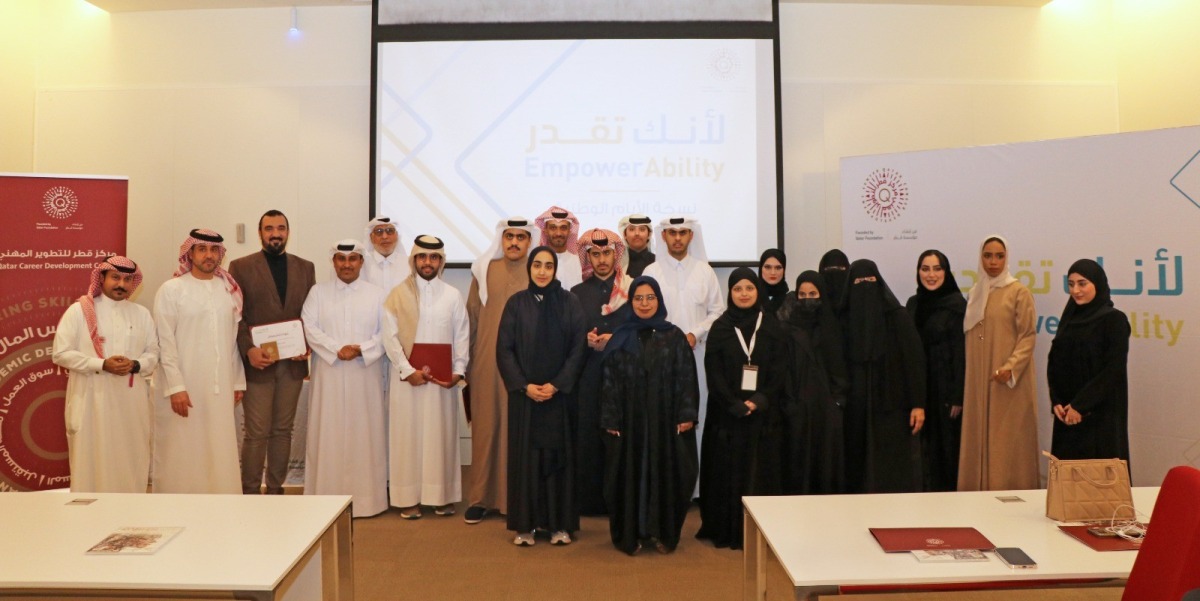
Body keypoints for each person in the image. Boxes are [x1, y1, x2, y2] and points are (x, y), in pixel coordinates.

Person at [600, 276, 698, 555]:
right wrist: (610, 418)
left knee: (667, 475)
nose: (644, 304)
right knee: (627, 476)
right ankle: (630, 536)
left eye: (650, 297)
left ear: (659, 300)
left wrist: (686, 414)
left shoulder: (674, 336)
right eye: (638, 298)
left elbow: (686, 377)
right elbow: (608, 380)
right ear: (631, 302)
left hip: (665, 422)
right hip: (629, 423)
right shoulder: (620, 337)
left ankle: (662, 534)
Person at [497, 246, 587, 546]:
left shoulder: (570, 303)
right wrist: (525, 386)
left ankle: (560, 526)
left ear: (555, 269)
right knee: (527, 462)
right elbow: (504, 350)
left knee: (560, 461)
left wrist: (557, 384)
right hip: (526, 399)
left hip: (559, 398)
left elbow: (578, 348)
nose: (543, 271)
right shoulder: (516, 304)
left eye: (549, 266)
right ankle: (526, 526)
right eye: (537, 265)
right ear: (530, 268)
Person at [696, 268, 788, 550]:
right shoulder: (721, 328)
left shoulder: (771, 326)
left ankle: (762, 533)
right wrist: (733, 404)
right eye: (737, 289)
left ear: (757, 291)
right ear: (730, 293)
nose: (744, 294)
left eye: (749, 288)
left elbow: (780, 368)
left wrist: (759, 400)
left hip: (764, 415)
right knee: (728, 472)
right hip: (727, 415)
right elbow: (713, 372)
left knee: (761, 472)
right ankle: (728, 530)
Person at [228, 210, 316, 495]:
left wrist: (307, 344)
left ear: (288, 232)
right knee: (256, 432)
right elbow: (236, 316)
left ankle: (277, 489)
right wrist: (249, 349)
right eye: (269, 228)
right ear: (260, 233)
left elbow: (311, 315)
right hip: (258, 364)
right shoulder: (241, 267)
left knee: (283, 430)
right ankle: (251, 491)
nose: (275, 233)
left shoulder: (306, 268)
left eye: (281, 228)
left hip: (292, 365)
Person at [52, 256, 158, 493]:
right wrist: (101, 364)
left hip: (130, 405)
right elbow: (61, 353)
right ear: (101, 278)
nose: (121, 284)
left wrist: (136, 364)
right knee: (92, 461)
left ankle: (130, 512)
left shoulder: (141, 314)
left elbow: (153, 353)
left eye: (127, 279)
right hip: (91, 402)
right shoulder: (79, 311)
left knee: (130, 458)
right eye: (115, 277)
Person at [152, 229, 245, 493]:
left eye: (214, 250)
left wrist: (237, 381)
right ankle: (179, 506)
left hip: (220, 386)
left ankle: (221, 504)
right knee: (182, 448)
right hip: (184, 387)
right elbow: (164, 342)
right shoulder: (172, 290)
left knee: (218, 446)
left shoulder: (227, 290)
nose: (208, 255)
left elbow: (231, 340)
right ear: (190, 254)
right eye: (201, 249)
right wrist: (176, 387)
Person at [383, 235, 469, 519]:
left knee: (440, 438)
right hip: (407, 381)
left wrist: (458, 371)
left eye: (433, 258)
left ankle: (440, 496)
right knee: (407, 438)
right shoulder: (398, 294)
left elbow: (461, 336)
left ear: (441, 261)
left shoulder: (452, 295)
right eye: (422, 257)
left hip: (442, 384)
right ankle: (408, 498)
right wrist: (408, 371)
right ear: (414, 260)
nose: (427, 262)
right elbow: (390, 337)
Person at [300, 240, 388, 517]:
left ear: (361, 262)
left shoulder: (377, 294)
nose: (347, 264)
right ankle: (324, 501)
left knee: (365, 435)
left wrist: (361, 349)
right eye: (341, 258)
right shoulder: (318, 292)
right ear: (333, 262)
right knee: (328, 433)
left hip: (365, 375)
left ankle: (368, 502)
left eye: (353, 259)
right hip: (330, 373)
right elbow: (309, 327)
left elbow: (387, 331)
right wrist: (337, 349)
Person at [641, 216, 724, 495]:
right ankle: (663, 487)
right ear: (663, 236)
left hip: (697, 357)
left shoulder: (705, 272)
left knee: (696, 415)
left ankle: (695, 489)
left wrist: (695, 334)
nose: (677, 238)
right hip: (658, 360)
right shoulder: (651, 271)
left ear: (691, 236)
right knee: (661, 416)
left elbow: (717, 312)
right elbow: (643, 311)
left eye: (683, 233)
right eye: (672, 233)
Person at [463, 217, 536, 524]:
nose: (514, 242)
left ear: (530, 241)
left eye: (521, 237)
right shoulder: (484, 269)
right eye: (509, 236)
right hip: (487, 363)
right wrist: (466, 364)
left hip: (527, 364)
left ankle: (517, 499)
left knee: (521, 429)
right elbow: (471, 317)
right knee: (486, 428)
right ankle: (481, 498)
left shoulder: (538, 270)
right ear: (501, 240)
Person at [959, 235, 1039, 491]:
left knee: (1006, 441)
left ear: (1007, 258)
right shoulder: (975, 293)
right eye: (987, 256)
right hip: (979, 381)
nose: (993, 262)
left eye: (999, 256)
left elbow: (1028, 335)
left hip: (1008, 382)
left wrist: (1011, 366)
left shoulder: (1018, 292)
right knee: (978, 434)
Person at [841, 259, 926, 493]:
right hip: (854, 406)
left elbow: (914, 362)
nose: (865, 285)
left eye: (870, 280)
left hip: (892, 402)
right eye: (859, 281)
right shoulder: (843, 319)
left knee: (891, 465)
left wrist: (918, 404)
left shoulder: (897, 316)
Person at [569, 228, 633, 515]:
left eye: (607, 253)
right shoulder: (577, 293)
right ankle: (590, 502)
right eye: (595, 254)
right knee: (589, 437)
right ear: (588, 258)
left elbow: (640, 331)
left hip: (623, 376)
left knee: (621, 437)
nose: (602, 259)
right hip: (589, 376)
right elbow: (570, 335)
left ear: (615, 255)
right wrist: (585, 340)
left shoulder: (631, 291)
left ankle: (620, 500)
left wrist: (614, 339)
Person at [1047, 259, 1131, 465]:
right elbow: (1054, 361)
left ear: (1097, 284)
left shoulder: (1114, 320)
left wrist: (1080, 406)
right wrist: (1057, 401)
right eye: (1071, 284)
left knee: (1098, 477)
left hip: (1099, 415)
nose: (1075, 290)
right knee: (1067, 477)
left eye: (1082, 283)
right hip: (1067, 415)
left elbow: (1112, 370)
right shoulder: (1069, 318)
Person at [775, 270, 848, 495]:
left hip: (827, 409)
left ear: (821, 294)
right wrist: (790, 403)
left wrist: (837, 402)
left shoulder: (832, 326)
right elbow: (782, 369)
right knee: (798, 465)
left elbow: (840, 367)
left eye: (813, 294)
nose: (807, 299)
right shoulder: (787, 329)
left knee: (826, 464)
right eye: (803, 294)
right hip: (798, 408)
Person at [904, 250, 966, 492]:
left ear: (946, 272)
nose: (931, 275)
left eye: (937, 269)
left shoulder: (957, 305)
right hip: (919, 388)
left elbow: (962, 353)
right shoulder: (913, 304)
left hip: (945, 390)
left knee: (945, 451)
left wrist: (958, 396)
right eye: (925, 269)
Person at [535, 206, 583, 289]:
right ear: (545, 230)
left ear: (569, 231)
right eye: (553, 228)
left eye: (563, 228)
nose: (558, 233)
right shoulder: (536, 261)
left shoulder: (577, 261)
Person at [361, 216, 410, 293]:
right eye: (379, 231)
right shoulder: (362, 265)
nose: (384, 236)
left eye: (390, 231)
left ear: (396, 235)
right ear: (371, 237)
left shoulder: (410, 265)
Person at [758, 249, 789, 314]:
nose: (773, 272)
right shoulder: (750, 297)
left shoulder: (792, 299)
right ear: (761, 269)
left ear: (784, 270)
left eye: (778, 268)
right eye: (768, 267)